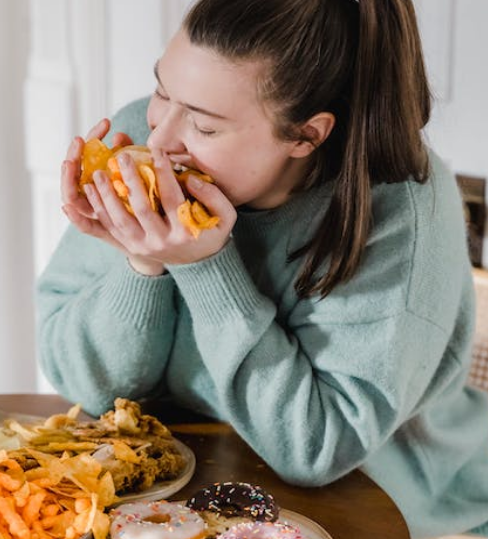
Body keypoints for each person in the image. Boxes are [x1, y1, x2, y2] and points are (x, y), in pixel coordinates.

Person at [37, 0, 488, 536]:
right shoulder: (145, 135)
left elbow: (316, 449)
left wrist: (206, 268)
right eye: (162, 90)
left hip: (390, 503)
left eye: (204, 126)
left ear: (306, 135)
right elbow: (87, 386)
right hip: (188, 491)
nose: (158, 140)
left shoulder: (400, 210)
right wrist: (141, 263)